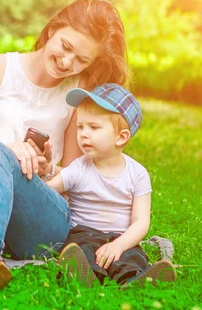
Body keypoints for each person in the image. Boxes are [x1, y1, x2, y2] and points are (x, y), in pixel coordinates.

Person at [0, 0, 130, 292]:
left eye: (82, 60)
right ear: (53, 29)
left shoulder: (78, 93)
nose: (68, 62)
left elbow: (76, 176)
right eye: (66, 46)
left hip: (37, 218)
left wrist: (48, 170)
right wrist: (7, 153)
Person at [46, 83, 176, 287]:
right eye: (80, 126)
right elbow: (46, 192)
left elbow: (141, 222)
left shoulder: (138, 174)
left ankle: (136, 280)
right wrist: (42, 172)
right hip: (84, 233)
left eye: (94, 127)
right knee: (80, 250)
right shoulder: (78, 168)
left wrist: (118, 245)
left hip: (122, 237)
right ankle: (83, 274)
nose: (83, 134)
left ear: (121, 137)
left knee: (131, 257)